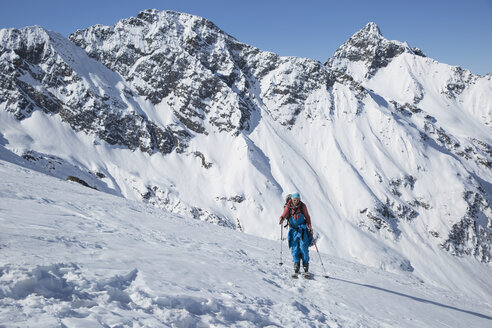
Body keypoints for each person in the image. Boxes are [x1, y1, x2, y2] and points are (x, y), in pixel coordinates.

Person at [279, 193, 313, 275]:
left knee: (304, 247)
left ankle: (305, 265)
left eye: (297, 200)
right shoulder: (288, 206)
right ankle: (296, 264)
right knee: (295, 248)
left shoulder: (302, 206)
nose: (296, 201)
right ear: (292, 199)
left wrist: (309, 226)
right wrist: (282, 218)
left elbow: (307, 217)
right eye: (295, 200)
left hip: (303, 230)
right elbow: (285, 213)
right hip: (293, 230)